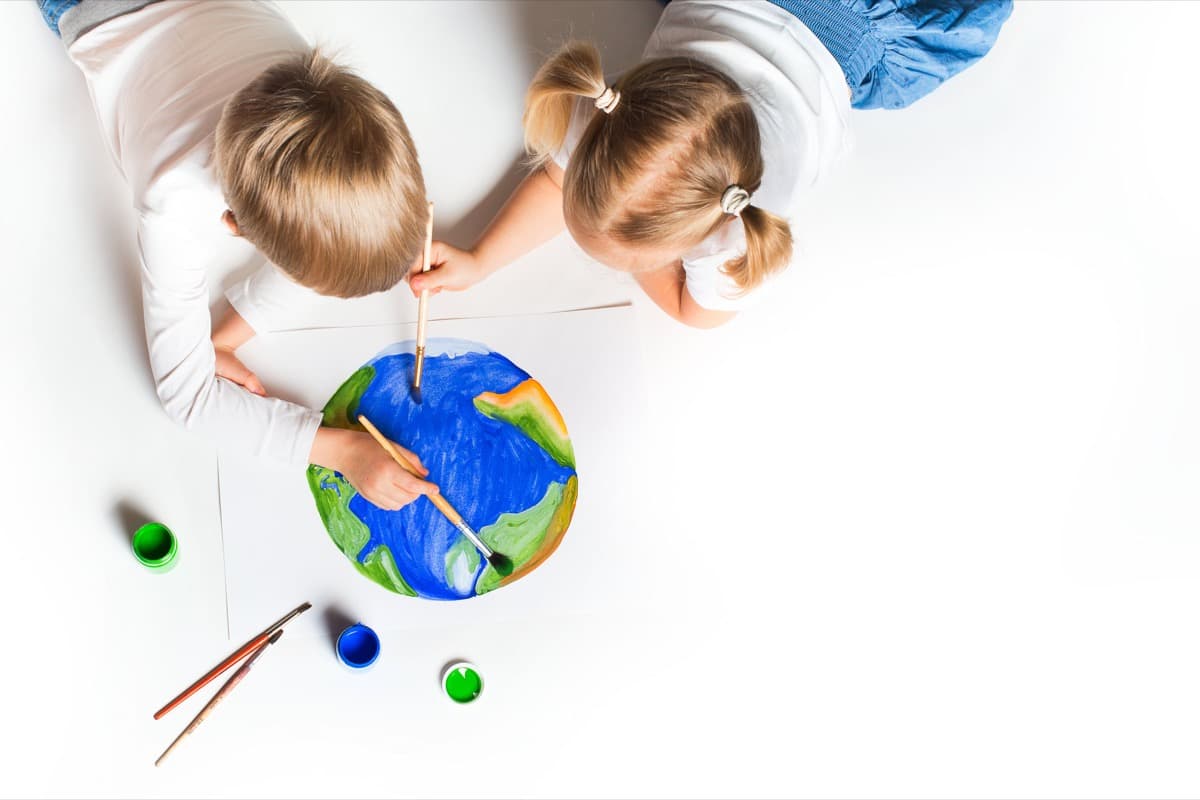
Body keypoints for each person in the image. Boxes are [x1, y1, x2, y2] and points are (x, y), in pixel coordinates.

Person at [39, 0, 437, 509]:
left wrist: (224, 337)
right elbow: (186, 396)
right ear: (234, 227)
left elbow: (335, 218)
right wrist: (339, 452)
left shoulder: (313, 93)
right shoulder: (174, 200)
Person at [412, 0, 1012, 328]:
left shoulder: (740, 231)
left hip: (878, 27)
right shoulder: (616, 111)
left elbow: (692, 313)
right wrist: (481, 261)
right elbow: (561, 178)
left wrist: (638, 257)